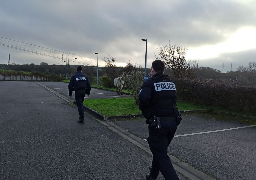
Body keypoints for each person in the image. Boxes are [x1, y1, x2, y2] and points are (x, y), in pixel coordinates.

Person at [139, 60, 181, 180]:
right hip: (173, 123)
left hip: (158, 125)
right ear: (164, 70)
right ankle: (152, 176)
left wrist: (148, 114)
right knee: (160, 151)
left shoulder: (150, 83)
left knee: (161, 155)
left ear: (152, 70)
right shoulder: (171, 83)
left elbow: (143, 99)